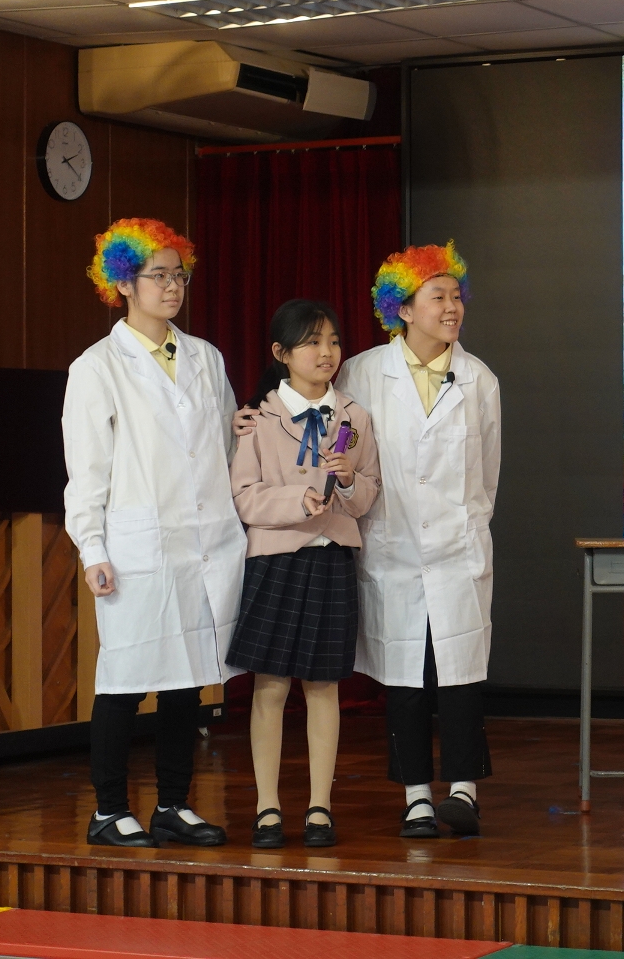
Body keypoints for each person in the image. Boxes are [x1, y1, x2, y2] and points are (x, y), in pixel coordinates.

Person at [63, 218, 246, 848]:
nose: (172, 287)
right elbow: (86, 469)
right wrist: (92, 547)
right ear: (122, 283)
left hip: (205, 542)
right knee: (124, 679)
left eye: (179, 275)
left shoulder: (205, 357)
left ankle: (172, 804)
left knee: (187, 679)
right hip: (137, 546)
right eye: (158, 275)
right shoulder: (97, 367)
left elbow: (225, 445)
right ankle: (109, 810)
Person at [335, 242, 500, 838]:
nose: (452, 307)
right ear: (402, 309)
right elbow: (343, 447)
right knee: (404, 677)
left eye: (456, 296)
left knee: (460, 674)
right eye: (437, 297)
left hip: (458, 549)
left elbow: (487, 475)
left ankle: (463, 791)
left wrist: (468, 529)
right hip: (394, 548)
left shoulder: (479, 379)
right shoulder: (361, 373)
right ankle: (415, 797)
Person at [228, 300, 381, 849]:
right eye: (312, 342)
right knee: (270, 685)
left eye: (333, 341)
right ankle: (267, 807)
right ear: (281, 353)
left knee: (323, 685)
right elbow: (244, 496)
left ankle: (320, 807)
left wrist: (349, 481)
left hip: (331, 557)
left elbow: (367, 495)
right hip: (275, 559)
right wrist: (297, 500)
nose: (327, 353)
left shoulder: (354, 418)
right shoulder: (258, 418)